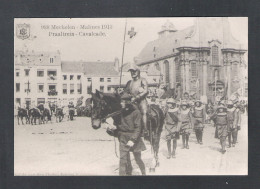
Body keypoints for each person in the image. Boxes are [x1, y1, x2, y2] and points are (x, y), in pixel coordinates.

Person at [107, 92, 146, 176]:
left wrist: (133, 140)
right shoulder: (120, 113)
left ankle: (144, 174)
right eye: (121, 102)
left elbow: (138, 128)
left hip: (134, 138)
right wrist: (112, 129)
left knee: (137, 159)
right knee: (122, 159)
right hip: (123, 138)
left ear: (128, 102)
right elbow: (119, 126)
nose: (121, 104)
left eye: (122, 102)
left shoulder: (136, 112)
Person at [125, 63, 149, 137]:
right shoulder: (130, 82)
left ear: (138, 72)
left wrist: (137, 97)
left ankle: (145, 129)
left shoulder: (143, 80)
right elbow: (127, 91)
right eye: (131, 72)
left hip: (141, 100)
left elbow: (145, 91)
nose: (133, 73)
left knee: (144, 112)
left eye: (134, 71)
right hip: (132, 101)